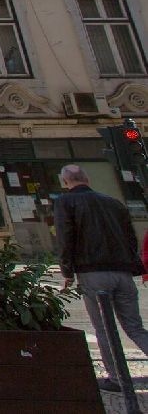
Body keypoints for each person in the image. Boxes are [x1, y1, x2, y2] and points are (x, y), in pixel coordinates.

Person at [54, 163, 148, 392]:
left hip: (92, 272)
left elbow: (66, 238)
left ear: (65, 182)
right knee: (135, 327)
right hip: (122, 272)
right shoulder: (114, 203)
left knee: (104, 328)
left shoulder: (65, 202)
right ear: (87, 179)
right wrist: (133, 266)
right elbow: (131, 238)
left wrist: (67, 271)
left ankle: (116, 377)